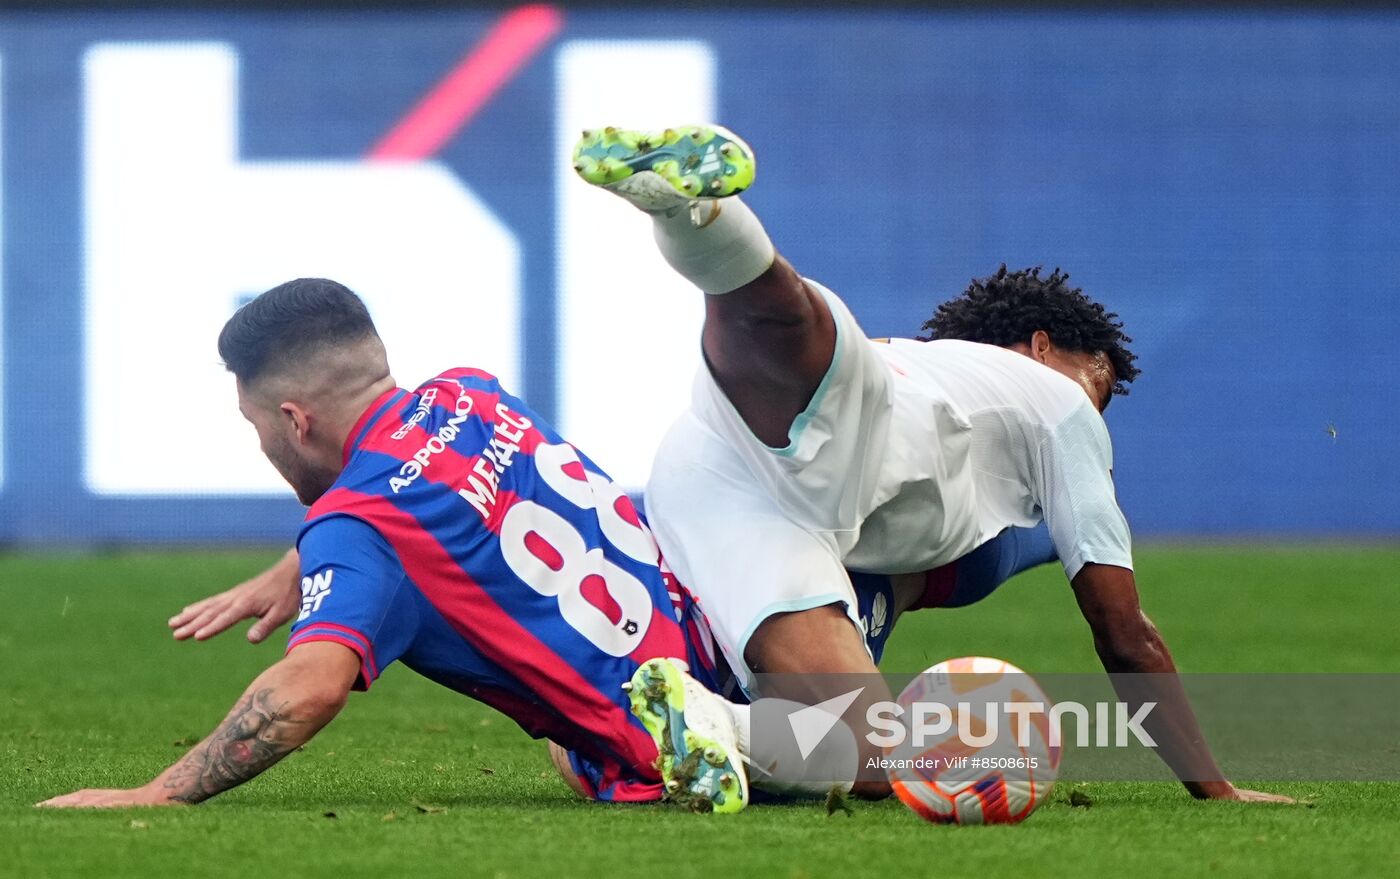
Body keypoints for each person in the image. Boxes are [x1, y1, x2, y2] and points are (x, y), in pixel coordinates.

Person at [570, 124, 1293, 804]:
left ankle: (685, 729)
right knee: (797, 339)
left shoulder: (988, 505)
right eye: (1097, 376)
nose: (1097, 409)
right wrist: (1213, 787)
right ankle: (692, 209)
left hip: (716, 486)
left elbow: (952, 564)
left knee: (874, 756)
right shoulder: (1055, 406)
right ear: (1039, 346)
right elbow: (1124, 635)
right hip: (862, 424)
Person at [38, 279, 750, 813]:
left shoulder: (360, 530)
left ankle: (745, 741)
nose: (259, 442)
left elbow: (307, 689)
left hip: (676, 726)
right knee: (574, 746)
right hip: (728, 627)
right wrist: (306, 563)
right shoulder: (470, 392)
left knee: (860, 747)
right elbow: (416, 501)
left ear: (295, 418)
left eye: (254, 423)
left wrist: (155, 794)